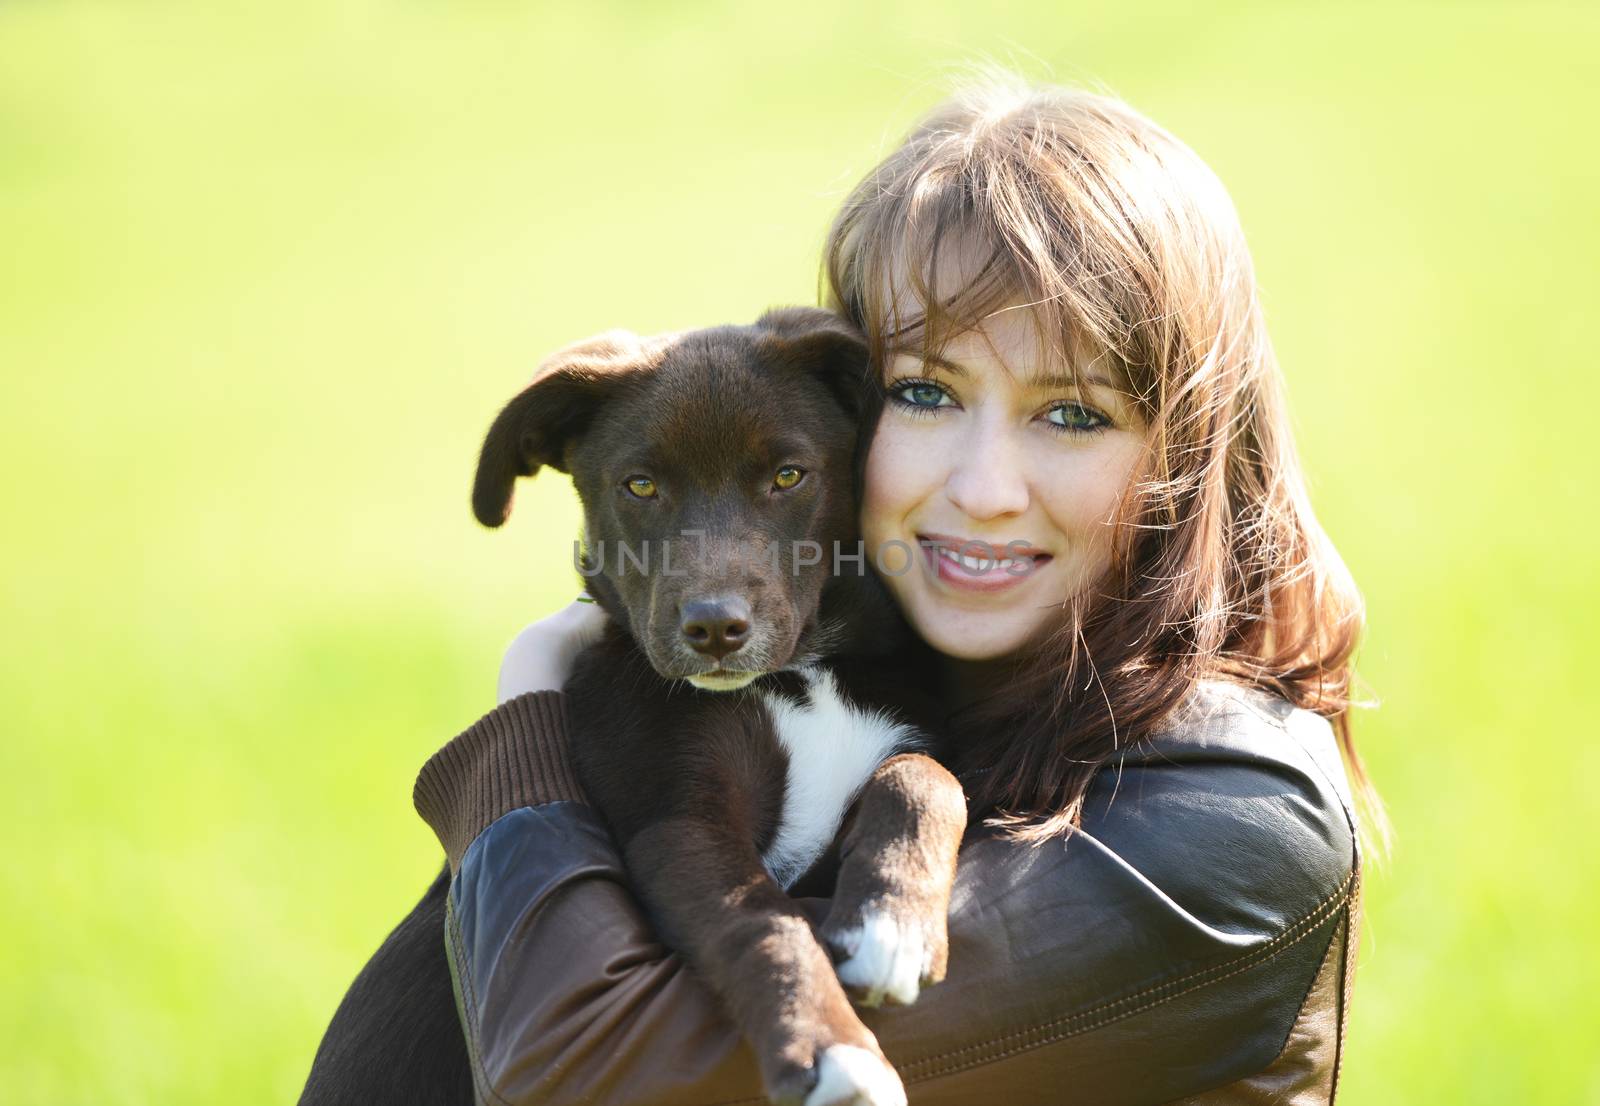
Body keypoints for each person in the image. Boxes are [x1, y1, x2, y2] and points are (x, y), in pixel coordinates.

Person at [412, 75, 1382, 1105]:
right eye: (924, 393)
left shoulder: (1229, 814)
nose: (979, 489)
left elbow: (595, 1076)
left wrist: (524, 743)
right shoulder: (903, 683)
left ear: (1187, 447)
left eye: (1072, 414)